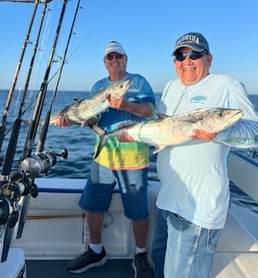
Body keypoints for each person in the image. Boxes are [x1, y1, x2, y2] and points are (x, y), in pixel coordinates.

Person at [150, 32, 258, 278]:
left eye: (194, 54)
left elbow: (255, 132)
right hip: (167, 199)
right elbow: (163, 130)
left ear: (208, 59)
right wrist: (135, 135)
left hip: (196, 210)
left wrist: (218, 134)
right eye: (180, 55)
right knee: (159, 263)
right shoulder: (170, 87)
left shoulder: (226, 84)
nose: (186, 60)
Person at [55, 40, 155, 277]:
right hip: (103, 156)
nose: (114, 60)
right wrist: (72, 120)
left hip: (134, 156)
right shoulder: (98, 86)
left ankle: (141, 255)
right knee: (93, 204)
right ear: (104, 62)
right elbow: (92, 119)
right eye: (110, 57)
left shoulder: (138, 81)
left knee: (138, 210)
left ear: (126, 58)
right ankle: (95, 250)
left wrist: (127, 104)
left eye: (118, 56)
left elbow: (150, 111)